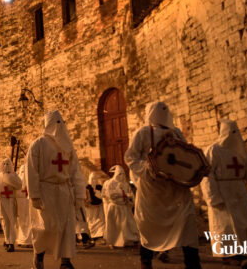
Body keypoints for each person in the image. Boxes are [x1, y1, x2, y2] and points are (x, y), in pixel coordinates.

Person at [124, 101, 202, 269]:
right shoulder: (143, 133)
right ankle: (146, 261)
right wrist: (147, 171)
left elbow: (186, 155)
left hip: (176, 188)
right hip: (153, 189)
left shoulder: (177, 133)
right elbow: (131, 157)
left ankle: (193, 264)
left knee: (187, 223)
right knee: (149, 225)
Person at [201, 118, 247, 268]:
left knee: (241, 224)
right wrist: (212, 196)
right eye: (230, 132)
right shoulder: (213, 150)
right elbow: (207, 175)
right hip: (222, 191)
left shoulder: (242, 153)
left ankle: (242, 254)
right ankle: (228, 256)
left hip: (238, 192)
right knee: (224, 226)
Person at [26, 109, 85, 269]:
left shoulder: (68, 147)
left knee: (67, 226)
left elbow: (75, 172)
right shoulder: (38, 144)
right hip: (46, 191)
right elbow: (32, 170)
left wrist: (80, 195)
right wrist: (35, 195)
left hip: (65, 192)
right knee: (45, 228)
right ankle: (39, 255)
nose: (59, 126)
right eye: (56, 123)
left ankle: (65, 261)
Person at [0, 158, 22, 252]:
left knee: (12, 221)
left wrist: (10, 179)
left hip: (10, 200)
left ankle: (11, 242)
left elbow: (19, 185)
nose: (6, 165)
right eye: (4, 163)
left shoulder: (14, 175)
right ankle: (7, 240)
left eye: (7, 163)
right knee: (4, 222)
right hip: (1, 200)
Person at [101, 165, 139, 248]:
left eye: (122, 174)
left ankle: (128, 240)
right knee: (115, 225)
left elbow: (131, 195)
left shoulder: (125, 184)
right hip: (114, 207)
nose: (121, 176)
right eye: (119, 174)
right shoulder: (110, 183)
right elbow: (110, 195)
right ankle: (114, 241)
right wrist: (123, 194)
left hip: (124, 207)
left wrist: (126, 197)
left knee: (126, 224)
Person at [83, 173, 105, 242]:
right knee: (91, 221)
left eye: (95, 178)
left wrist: (99, 195)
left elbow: (103, 195)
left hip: (99, 208)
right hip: (90, 209)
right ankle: (92, 235)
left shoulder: (99, 187)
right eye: (92, 179)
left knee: (100, 222)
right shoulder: (87, 187)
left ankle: (99, 235)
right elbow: (85, 198)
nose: (94, 180)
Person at [15, 164, 32, 247]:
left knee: (29, 220)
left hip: (29, 201)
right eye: (22, 172)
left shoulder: (31, 181)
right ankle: (21, 239)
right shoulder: (18, 182)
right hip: (21, 201)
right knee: (21, 220)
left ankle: (29, 240)